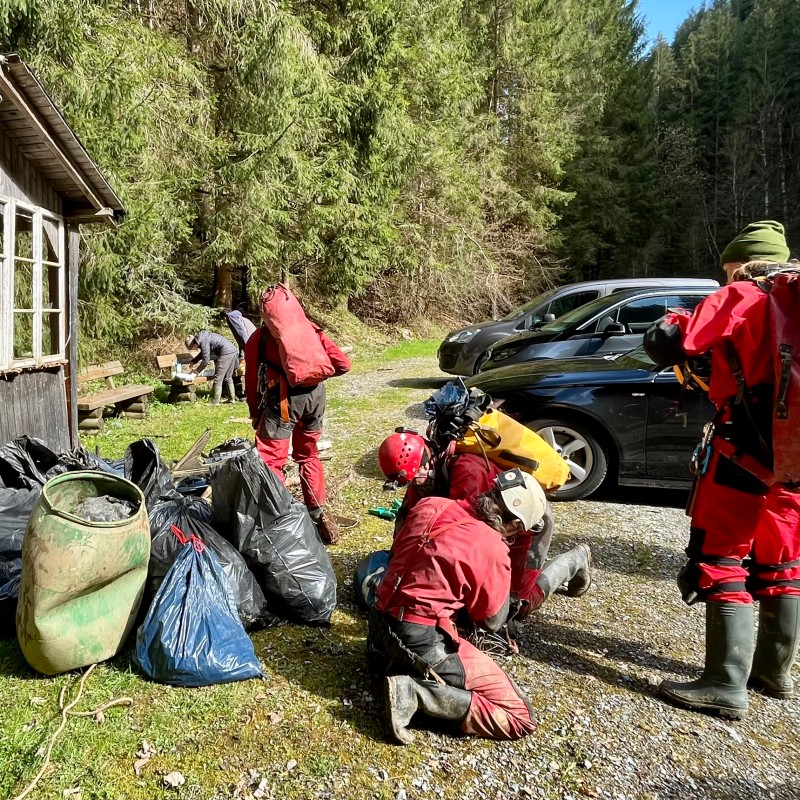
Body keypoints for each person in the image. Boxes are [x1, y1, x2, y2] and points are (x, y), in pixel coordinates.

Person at [644, 220, 800, 719]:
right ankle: (774, 673)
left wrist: (677, 320)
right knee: (782, 562)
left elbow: (667, 340)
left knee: (722, 554)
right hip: (795, 459)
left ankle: (723, 683)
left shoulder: (741, 294)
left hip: (744, 451)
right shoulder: (794, 299)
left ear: (740, 262)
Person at [369, 468, 545, 743]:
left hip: (379, 622)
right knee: (520, 717)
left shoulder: (430, 504)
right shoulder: (492, 547)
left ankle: (393, 665)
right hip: (420, 640)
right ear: (514, 524)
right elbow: (491, 620)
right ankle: (417, 694)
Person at [377, 431, 592, 625]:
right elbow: (409, 527)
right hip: (496, 520)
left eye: (413, 480)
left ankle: (574, 560)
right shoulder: (423, 477)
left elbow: (479, 544)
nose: (412, 485)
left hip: (524, 522)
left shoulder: (469, 473)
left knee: (517, 605)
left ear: (424, 464)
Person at [244, 313, 350, 545]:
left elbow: (251, 380)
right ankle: (317, 513)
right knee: (308, 455)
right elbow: (343, 363)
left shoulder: (259, 338)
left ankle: (280, 521)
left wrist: (254, 411)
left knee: (271, 461)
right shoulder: (309, 329)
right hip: (316, 400)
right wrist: (312, 375)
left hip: (283, 401)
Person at [185, 330, 238, 406]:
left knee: (217, 378)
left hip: (225, 352)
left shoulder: (203, 341)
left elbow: (205, 360)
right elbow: (204, 353)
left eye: (192, 348)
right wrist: (194, 361)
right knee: (228, 377)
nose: (194, 349)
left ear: (193, 345)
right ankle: (232, 399)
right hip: (232, 350)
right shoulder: (202, 338)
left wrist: (197, 371)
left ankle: (215, 402)